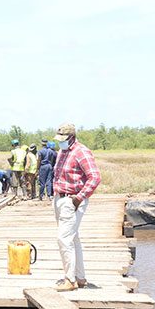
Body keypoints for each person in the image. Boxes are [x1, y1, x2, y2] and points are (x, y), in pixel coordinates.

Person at [52, 123, 101, 292]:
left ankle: (70, 279)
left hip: (72, 200)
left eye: (63, 140)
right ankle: (80, 277)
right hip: (60, 197)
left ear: (72, 137)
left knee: (63, 239)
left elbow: (94, 177)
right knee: (72, 238)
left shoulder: (81, 151)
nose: (61, 142)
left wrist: (79, 198)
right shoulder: (62, 152)